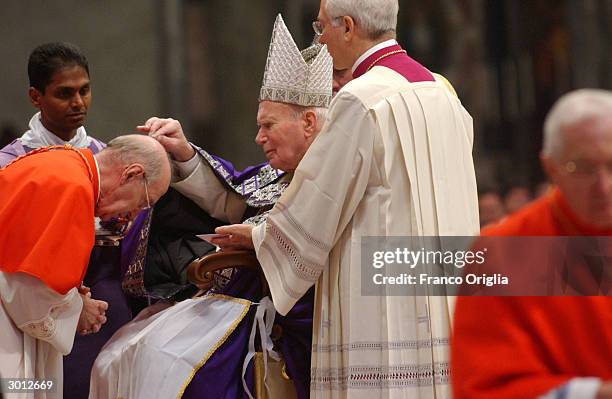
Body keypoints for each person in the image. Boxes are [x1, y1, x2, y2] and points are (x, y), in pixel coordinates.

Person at [215, 1, 479, 397]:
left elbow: (320, 201)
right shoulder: (442, 92)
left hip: (383, 299)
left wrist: (258, 237)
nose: (320, 40)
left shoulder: (361, 99)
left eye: (321, 28)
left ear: (349, 27)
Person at [89, 18, 332, 399]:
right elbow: (232, 199)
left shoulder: (331, 180)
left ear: (309, 121)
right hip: (222, 300)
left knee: (163, 361)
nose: (258, 138)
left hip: (262, 310)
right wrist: (184, 154)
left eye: (268, 125)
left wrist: (257, 239)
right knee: (118, 354)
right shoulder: (275, 173)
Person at [0, 42, 147, 398]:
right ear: (36, 97)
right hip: (37, 303)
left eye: (84, 90)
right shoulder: (10, 165)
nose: (78, 102)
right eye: (64, 93)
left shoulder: (107, 159)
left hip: (108, 296)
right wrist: (71, 303)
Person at [451, 89, 612, 399]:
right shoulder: (502, 253)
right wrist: (595, 393)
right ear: (550, 168)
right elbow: (484, 388)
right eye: (583, 169)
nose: (604, 187)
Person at [0, 134, 171, 399]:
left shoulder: (65, 164)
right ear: (131, 174)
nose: (133, 215)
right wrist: (78, 309)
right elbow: (30, 294)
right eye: (142, 203)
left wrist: (73, 296)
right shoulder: (73, 185)